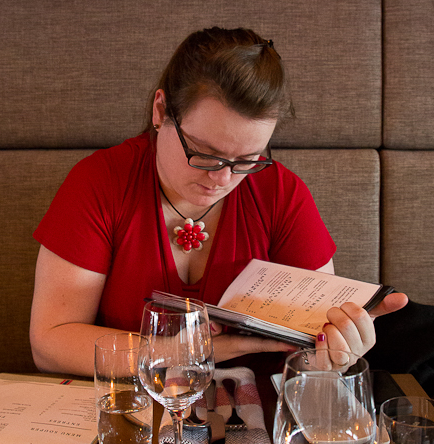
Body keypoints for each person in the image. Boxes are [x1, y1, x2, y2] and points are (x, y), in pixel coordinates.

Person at [30, 26, 407, 377]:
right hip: (136, 411)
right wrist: (182, 351)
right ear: (160, 112)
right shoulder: (102, 182)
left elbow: (309, 346)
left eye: (247, 159)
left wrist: (330, 357)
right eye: (205, 153)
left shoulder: (280, 192)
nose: (223, 179)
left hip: (258, 423)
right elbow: (50, 342)